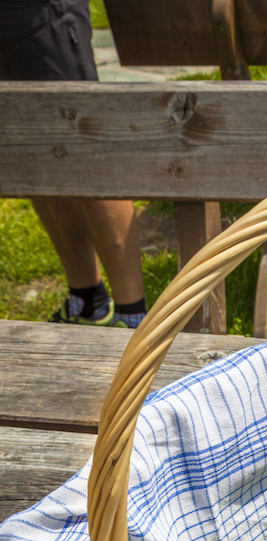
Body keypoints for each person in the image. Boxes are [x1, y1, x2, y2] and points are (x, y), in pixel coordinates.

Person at [0, 0, 146, 329]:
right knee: (32, 153)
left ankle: (133, 319)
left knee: (83, 149)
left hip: (36, 12)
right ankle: (86, 304)